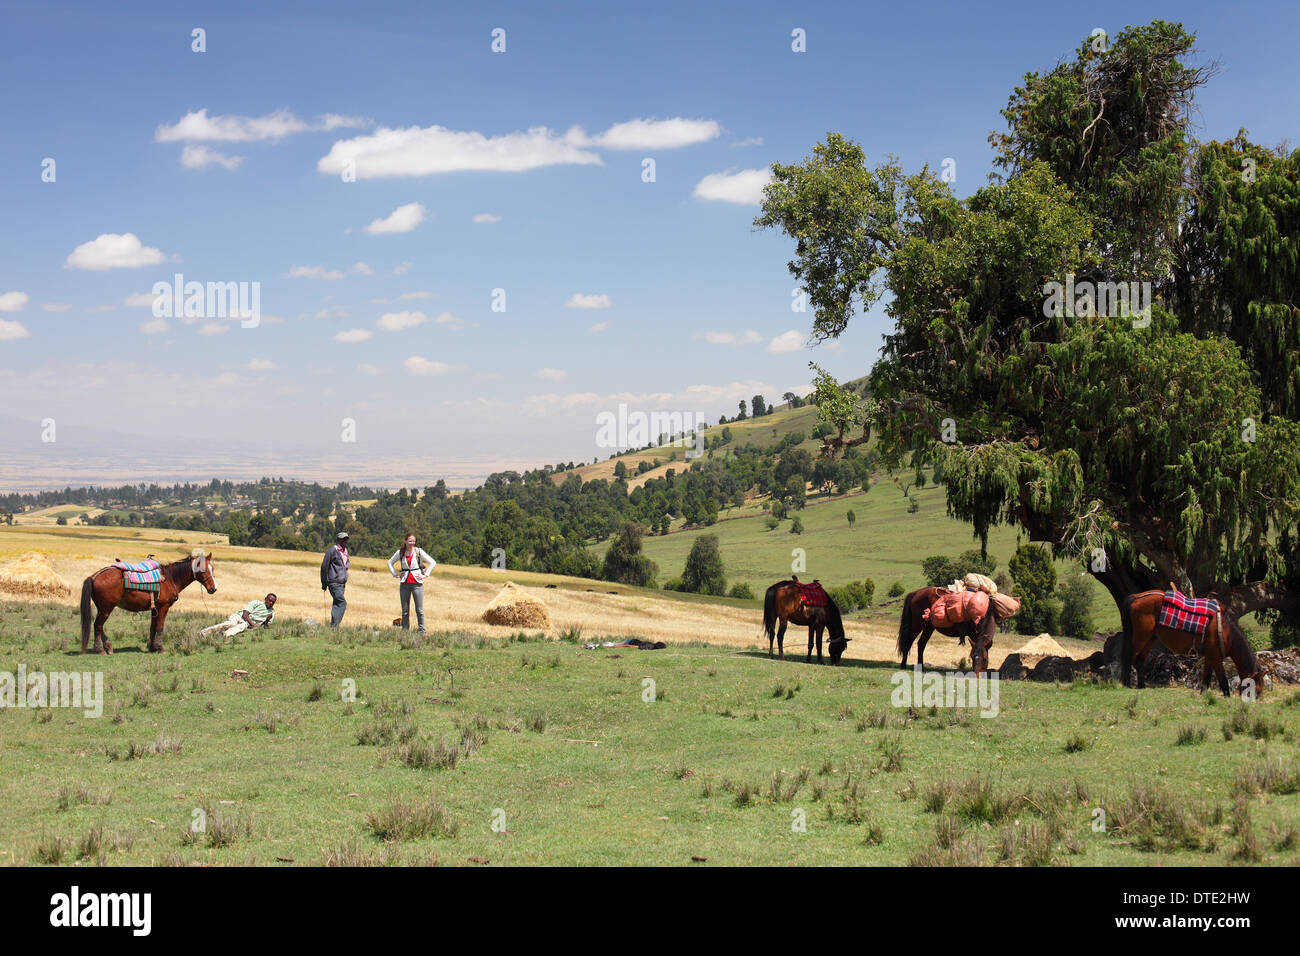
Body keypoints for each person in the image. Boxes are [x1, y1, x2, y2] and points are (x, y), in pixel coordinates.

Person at [387, 532, 436, 635]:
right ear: (405, 541)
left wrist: (426, 575)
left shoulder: (419, 551)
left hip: (417, 584)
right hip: (404, 583)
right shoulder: (400, 552)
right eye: (410, 541)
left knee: (419, 610)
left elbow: (432, 562)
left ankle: (423, 632)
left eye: (413, 541)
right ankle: (405, 632)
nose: (412, 543)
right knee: (405, 610)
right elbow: (389, 562)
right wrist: (395, 574)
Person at [201, 593, 277, 638]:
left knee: (240, 628)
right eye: (269, 600)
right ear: (265, 599)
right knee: (230, 624)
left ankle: (223, 635)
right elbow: (245, 614)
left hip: (246, 623)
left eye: (273, 602)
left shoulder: (272, 612)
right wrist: (252, 624)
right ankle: (204, 632)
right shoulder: (256, 603)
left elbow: (265, 627)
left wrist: (267, 620)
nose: (270, 603)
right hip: (239, 616)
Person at [320, 531, 350, 626]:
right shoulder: (332, 550)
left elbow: (346, 565)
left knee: (337, 604)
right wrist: (324, 583)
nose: (344, 541)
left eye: (346, 539)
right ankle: (335, 626)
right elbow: (324, 567)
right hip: (334, 582)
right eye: (342, 539)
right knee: (342, 603)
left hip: (342, 583)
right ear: (338, 540)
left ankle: (333, 626)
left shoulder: (345, 552)